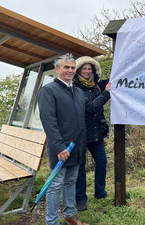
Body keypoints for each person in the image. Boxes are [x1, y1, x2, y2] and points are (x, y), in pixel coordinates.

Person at [38, 54, 89, 225]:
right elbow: (49, 122)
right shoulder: (48, 90)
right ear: (57, 69)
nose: (70, 70)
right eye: (66, 67)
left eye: (72, 68)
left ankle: (70, 215)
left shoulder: (78, 91)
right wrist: (60, 147)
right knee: (55, 185)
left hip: (76, 147)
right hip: (61, 148)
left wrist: (106, 93)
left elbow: (82, 118)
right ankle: (51, 221)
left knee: (71, 181)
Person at [73, 56, 111, 211]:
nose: (87, 71)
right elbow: (89, 108)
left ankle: (100, 193)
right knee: (80, 168)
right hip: (80, 134)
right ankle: (81, 199)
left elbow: (116, 77)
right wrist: (106, 94)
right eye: (84, 69)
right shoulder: (75, 88)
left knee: (102, 162)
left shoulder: (97, 85)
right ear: (79, 71)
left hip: (97, 133)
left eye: (90, 69)